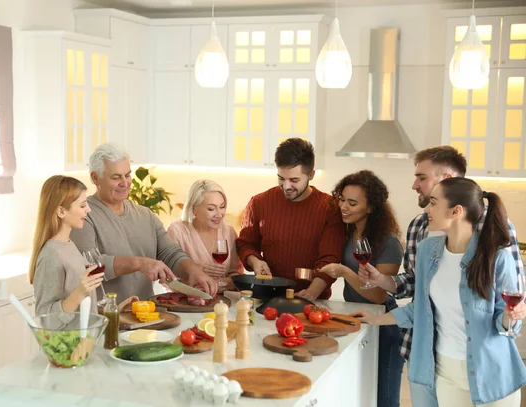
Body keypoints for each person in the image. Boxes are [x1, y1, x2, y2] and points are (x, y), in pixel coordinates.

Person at [359, 146, 524, 407]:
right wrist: (374, 310)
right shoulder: (425, 244)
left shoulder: (495, 247)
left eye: (422, 178)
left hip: (488, 370)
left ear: (455, 209)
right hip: (436, 364)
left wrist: (511, 316)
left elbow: (510, 312)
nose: (425, 207)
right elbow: (419, 303)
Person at [70, 143, 217, 305]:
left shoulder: (145, 215)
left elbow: (170, 252)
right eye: (116, 177)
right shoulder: (84, 215)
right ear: (95, 178)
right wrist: (139, 263)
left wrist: (193, 270)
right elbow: (89, 265)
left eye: (127, 175)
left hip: (146, 314)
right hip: (107, 315)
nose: (125, 183)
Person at [317, 170, 404, 407]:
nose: (343, 207)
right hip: (355, 318)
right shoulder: (347, 231)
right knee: (358, 394)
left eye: (352, 203)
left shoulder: (389, 242)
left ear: (371, 207)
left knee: (384, 398)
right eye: (342, 199)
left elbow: (378, 296)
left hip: (383, 323)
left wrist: (346, 272)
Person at [236, 138, 346, 300]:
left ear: (311, 175)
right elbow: (245, 244)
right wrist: (255, 262)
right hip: (267, 298)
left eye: (294, 180)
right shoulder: (259, 203)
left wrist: (311, 293)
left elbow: (329, 259)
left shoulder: (330, 208)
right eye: (281, 178)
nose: (286, 186)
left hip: (313, 301)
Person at [29, 175, 138, 315]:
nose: (88, 209)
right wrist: (80, 292)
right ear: (61, 211)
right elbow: (45, 317)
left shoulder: (69, 245)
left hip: (86, 336)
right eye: (82, 205)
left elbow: (80, 312)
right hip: (69, 338)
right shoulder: (51, 255)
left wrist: (112, 310)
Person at [167, 180, 243, 292]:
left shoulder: (229, 232)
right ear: (194, 210)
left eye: (222, 207)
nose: (219, 214)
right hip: (186, 304)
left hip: (223, 304)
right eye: (211, 209)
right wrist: (196, 274)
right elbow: (168, 279)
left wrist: (225, 283)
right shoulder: (177, 231)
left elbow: (236, 274)